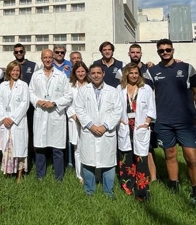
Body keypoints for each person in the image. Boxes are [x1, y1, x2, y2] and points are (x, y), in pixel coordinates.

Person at [149, 38, 196, 205]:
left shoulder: (186, 68)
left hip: (186, 121)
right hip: (163, 122)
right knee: (170, 155)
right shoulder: (152, 71)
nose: (165, 52)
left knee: (192, 158)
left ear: (173, 50)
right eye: (161, 50)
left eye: (168, 49)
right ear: (158, 52)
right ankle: (174, 188)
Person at [74, 64, 122, 198]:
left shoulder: (112, 91)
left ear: (103, 74)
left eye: (98, 73)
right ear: (89, 75)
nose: (96, 75)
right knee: (88, 161)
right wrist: (91, 125)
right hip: (89, 131)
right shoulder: (83, 90)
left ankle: (108, 191)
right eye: (93, 73)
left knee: (108, 162)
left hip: (107, 132)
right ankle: (89, 191)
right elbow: (79, 109)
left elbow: (117, 111)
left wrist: (105, 126)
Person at [29, 49, 72, 181]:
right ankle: (40, 175)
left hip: (56, 115)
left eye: (50, 57)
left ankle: (59, 177)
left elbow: (69, 95)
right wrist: (38, 101)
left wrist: (54, 103)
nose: (47, 60)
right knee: (40, 147)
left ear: (53, 58)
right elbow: (30, 92)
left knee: (57, 148)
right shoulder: (36, 75)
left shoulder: (61, 75)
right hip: (41, 113)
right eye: (45, 57)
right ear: (41, 59)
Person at [117, 63, 156, 201]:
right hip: (125, 125)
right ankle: (127, 187)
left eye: (136, 73)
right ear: (126, 74)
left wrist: (146, 123)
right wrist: (119, 120)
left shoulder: (146, 88)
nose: (133, 75)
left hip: (140, 126)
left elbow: (151, 108)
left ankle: (142, 190)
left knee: (141, 158)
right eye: (131, 73)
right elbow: (115, 107)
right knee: (126, 157)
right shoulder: (120, 88)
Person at [0, 61, 30, 183]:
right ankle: (8, 173)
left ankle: (19, 176)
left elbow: (24, 104)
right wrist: (4, 118)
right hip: (6, 122)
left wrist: (13, 119)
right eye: (13, 70)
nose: (15, 73)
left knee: (19, 149)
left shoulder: (23, 85)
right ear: (9, 72)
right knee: (7, 148)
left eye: (17, 71)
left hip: (17, 123)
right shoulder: (3, 85)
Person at [127, 42, 157, 181]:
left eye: (137, 52)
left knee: (148, 148)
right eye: (132, 52)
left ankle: (153, 177)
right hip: (129, 115)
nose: (135, 54)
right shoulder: (125, 69)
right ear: (129, 54)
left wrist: (148, 120)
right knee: (128, 147)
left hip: (145, 114)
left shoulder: (149, 69)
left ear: (141, 54)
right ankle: (132, 174)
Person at [13, 43, 37, 165]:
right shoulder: (12, 66)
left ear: (24, 52)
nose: (18, 53)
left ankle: (31, 156)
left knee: (31, 131)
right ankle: (17, 155)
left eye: (20, 51)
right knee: (18, 131)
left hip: (31, 105)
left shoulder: (33, 66)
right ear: (14, 53)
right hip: (15, 107)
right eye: (16, 52)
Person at [67, 62, 91, 183]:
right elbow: (67, 103)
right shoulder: (70, 85)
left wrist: (86, 118)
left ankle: (91, 174)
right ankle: (80, 175)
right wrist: (75, 116)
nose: (81, 74)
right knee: (77, 149)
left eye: (82, 71)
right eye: (78, 72)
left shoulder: (91, 85)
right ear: (74, 73)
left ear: (86, 72)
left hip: (89, 121)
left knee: (89, 147)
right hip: (75, 120)